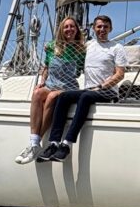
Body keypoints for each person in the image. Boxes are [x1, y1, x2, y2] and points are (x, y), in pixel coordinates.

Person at [37, 15, 127, 163]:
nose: (102, 29)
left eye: (105, 27)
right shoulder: (88, 45)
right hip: (89, 89)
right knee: (63, 96)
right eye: (99, 26)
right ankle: (53, 143)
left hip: (107, 91)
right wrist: (51, 46)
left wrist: (104, 85)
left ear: (110, 29)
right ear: (94, 28)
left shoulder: (117, 48)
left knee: (85, 98)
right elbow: (69, 45)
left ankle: (66, 144)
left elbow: (120, 74)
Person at [14, 17, 85, 164]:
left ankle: (36, 142)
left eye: (72, 27)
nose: (69, 29)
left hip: (68, 86)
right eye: (66, 27)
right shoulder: (52, 46)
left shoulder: (81, 49)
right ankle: (34, 143)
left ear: (77, 30)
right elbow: (46, 67)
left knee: (52, 97)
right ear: (61, 30)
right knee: (37, 93)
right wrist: (42, 82)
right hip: (51, 83)